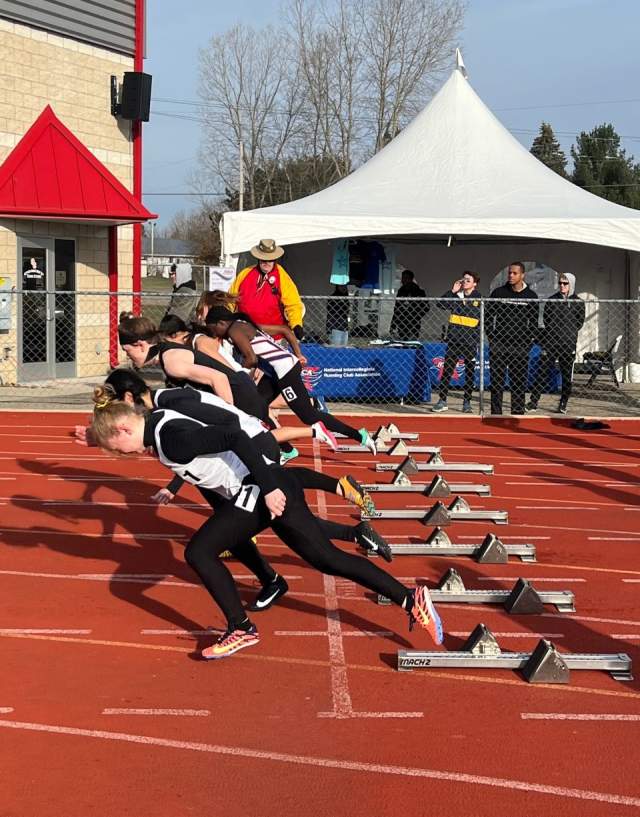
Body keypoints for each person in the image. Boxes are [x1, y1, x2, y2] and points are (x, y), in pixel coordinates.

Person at [89, 399, 444, 659]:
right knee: (325, 558)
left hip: (260, 490)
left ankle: (240, 628)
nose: (121, 456)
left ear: (123, 429)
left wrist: (269, 487)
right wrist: (92, 435)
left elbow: (234, 439)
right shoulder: (158, 420)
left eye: (116, 448)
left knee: (199, 551)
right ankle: (411, 599)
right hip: (263, 486)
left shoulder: (172, 438)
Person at [204, 305, 378, 454]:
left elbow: (252, 359)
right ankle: (286, 449)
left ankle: (359, 435)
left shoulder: (235, 329)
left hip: (284, 372)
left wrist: (239, 375)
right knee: (256, 408)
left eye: (213, 330)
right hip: (276, 372)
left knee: (308, 415)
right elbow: (284, 330)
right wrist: (298, 354)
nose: (215, 335)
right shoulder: (245, 325)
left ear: (221, 323)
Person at [526, 273, 585, 414]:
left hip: (568, 344)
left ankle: (563, 403)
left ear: (571, 284)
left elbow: (579, 322)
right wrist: (554, 333)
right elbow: (546, 319)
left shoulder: (578, 302)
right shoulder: (552, 300)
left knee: (565, 375)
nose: (562, 286)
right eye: (560, 283)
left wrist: (568, 333)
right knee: (542, 373)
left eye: (565, 283)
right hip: (551, 343)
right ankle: (533, 402)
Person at [486, 262, 539, 415]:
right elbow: (489, 317)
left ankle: (517, 413)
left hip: (520, 346)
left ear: (522, 275)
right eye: (509, 273)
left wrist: (528, 342)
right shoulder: (498, 293)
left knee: (518, 382)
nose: (510, 275)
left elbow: (534, 323)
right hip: (499, 345)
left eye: (514, 273)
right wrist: (492, 338)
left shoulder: (531, 296)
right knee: (497, 383)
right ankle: (496, 414)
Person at [229, 239, 305, 341]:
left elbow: (293, 303)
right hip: (245, 335)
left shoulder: (282, 276)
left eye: (270, 259)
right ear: (258, 258)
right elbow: (231, 299)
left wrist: (296, 325)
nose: (267, 262)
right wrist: (226, 316)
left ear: (274, 259)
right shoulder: (245, 274)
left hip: (274, 338)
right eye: (263, 259)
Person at [432, 272, 482, 413]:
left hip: (470, 342)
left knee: (470, 372)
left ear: (474, 283)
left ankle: (467, 402)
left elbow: (484, 319)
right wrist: (452, 291)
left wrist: (477, 338)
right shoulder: (456, 296)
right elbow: (440, 304)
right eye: (464, 279)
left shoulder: (479, 298)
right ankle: (442, 400)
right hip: (454, 340)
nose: (465, 281)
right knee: (447, 370)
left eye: (468, 280)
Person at [390, 270, 428, 340]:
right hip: (401, 322)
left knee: (412, 342)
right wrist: (393, 324)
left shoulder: (418, 291)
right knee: (403, 341)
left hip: (413, 323)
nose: (403, 280)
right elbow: (396, 308)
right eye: (403, 278)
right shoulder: (401, 291)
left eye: (405, 278)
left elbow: (426, 307)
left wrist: (416, 316)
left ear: (410, 279)